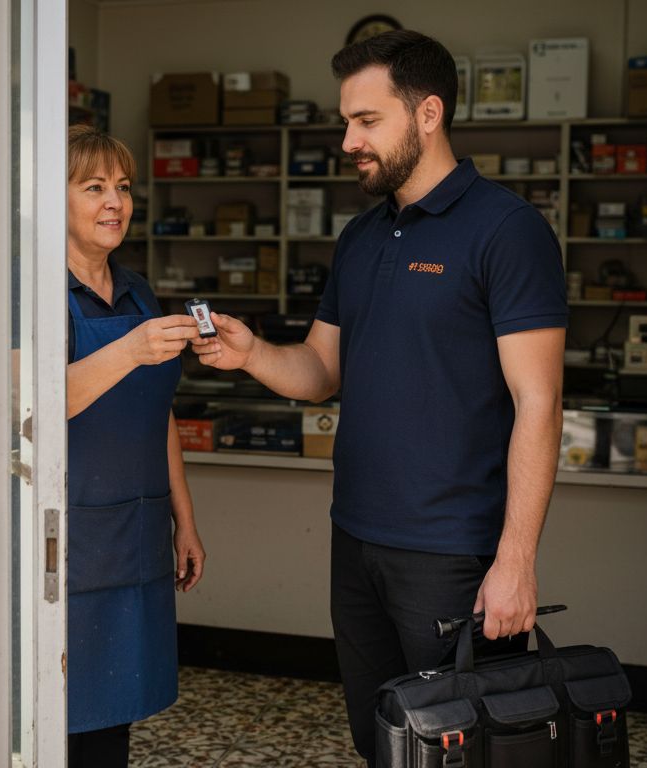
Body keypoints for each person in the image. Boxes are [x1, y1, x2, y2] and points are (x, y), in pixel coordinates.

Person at [192, 30, 567, 760]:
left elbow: (540, 404)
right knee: (382, 742)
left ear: (428, 114)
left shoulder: (507, 231)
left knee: (458, 752)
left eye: (367, 121)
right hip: (356, 539)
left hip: (452, 554)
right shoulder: (361, 237)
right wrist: (252, 354)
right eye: (346, 122)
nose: (348, 141)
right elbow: (320, 370)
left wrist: (516, 561)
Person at [64, 124, 207, 767]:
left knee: (114, 720)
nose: (114, 202)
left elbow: (159, 412)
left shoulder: (138, 290)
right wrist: (130, 350)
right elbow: (28, 404)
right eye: (93, 187)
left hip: (138, 535)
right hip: (70, 544)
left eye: (122, 187)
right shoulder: (29, 294)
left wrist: (185, 520)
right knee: (63, 714)